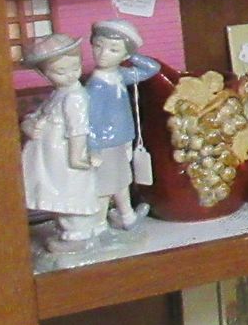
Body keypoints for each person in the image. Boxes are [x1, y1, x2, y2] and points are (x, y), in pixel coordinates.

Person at [20, 33, 105, 241]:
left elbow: (78, 129)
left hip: (64, 155)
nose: (70, 75)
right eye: (60, 71)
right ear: (45, 73)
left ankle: (79, 232)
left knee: (69, 192)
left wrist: (76, 156)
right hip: (51, 156)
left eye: (75, 68)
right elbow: (39, 113)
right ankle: (71, 230)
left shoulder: (75, 97)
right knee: (59, 192)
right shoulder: (58, 94)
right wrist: (29, 123)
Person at [83, 19, 161, 231]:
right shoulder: (95, 86)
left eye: (113, 49)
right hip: (105, 144)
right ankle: (99, 224)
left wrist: (131, 54)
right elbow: (88, 120)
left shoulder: (119, 75)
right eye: (98, 46)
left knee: (122, 180)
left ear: (124, 55)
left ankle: (127, 215)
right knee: (105, 186)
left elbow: (152, 69)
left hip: (122, 139)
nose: (102, 53)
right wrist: (93, 147)